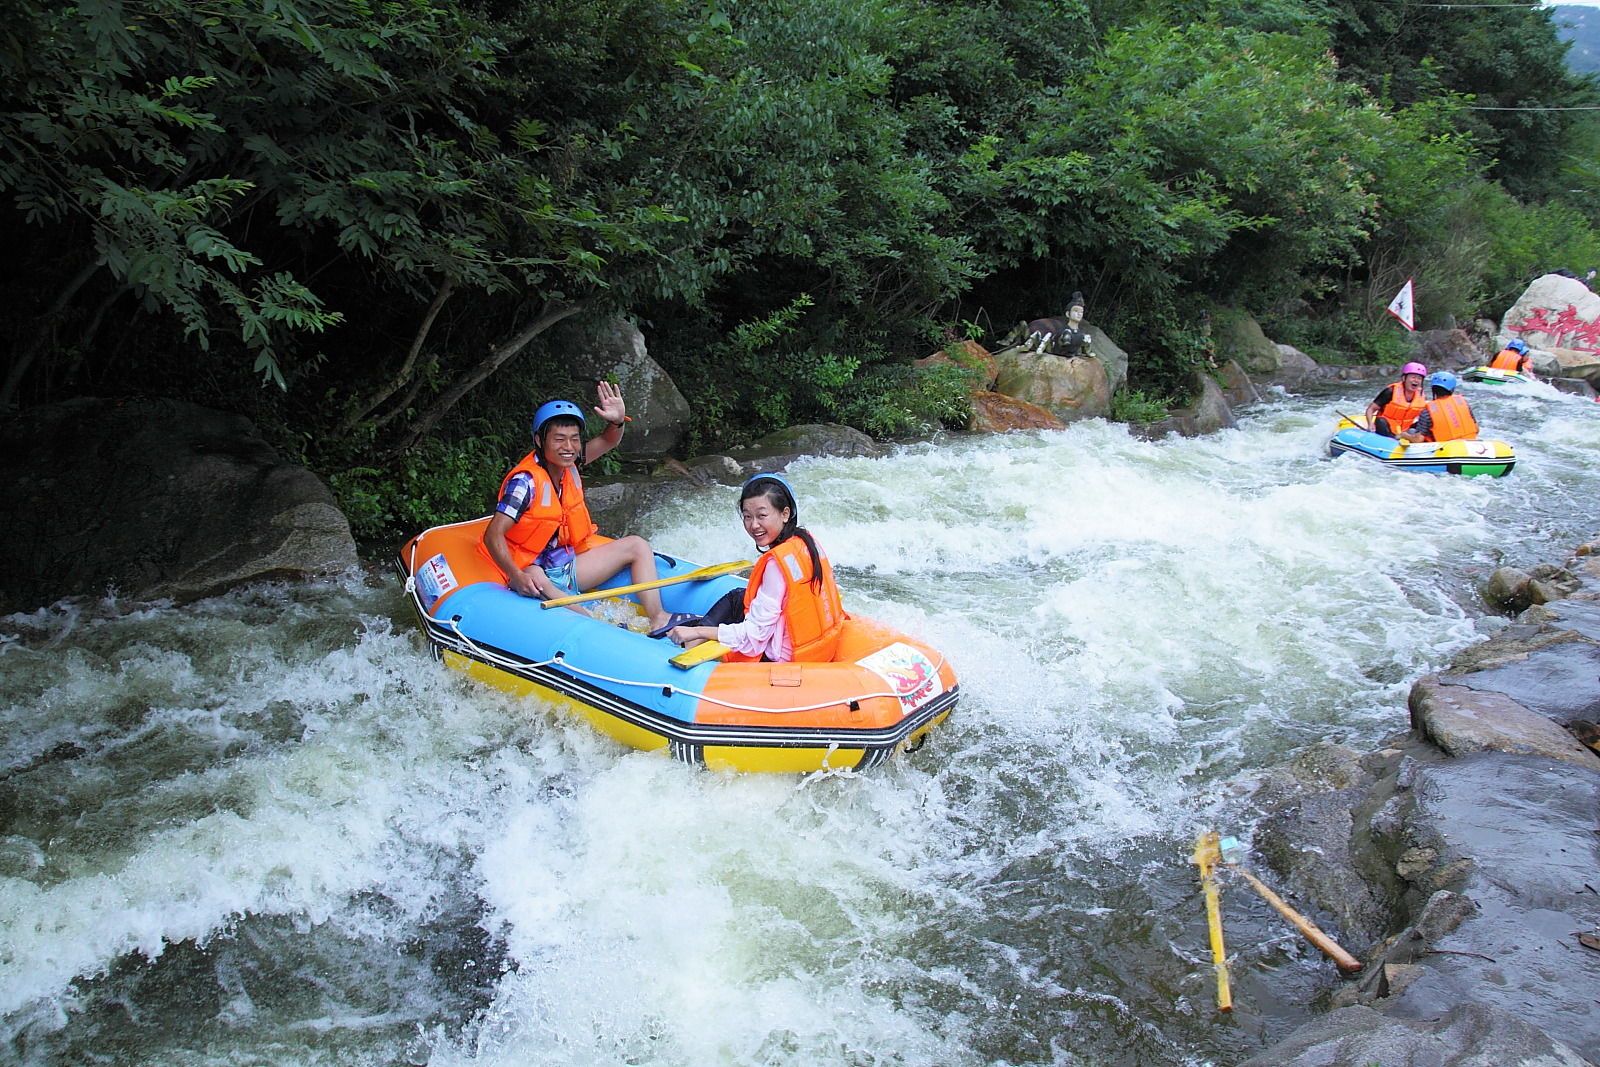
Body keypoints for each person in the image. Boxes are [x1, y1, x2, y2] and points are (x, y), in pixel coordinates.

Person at [480, 383, 672, 631]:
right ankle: (597, 628)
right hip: (532, 569)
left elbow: (607, 440)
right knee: (536, 577)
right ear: (540, 440)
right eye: (559, 439)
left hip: (566, 566)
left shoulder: (569, 464)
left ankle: (657, 617)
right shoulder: (524, 483)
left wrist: (616, 422)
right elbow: (493, 533)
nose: (568, 447)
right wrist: (517, 576)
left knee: (637, 545)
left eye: (574, 439)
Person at [666, 474, 846, 663]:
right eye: (747, 517)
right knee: (738, 597)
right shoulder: (806, 542)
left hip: (782, 660)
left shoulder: (777, 565)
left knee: (733, 607)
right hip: (819, 648)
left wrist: (697, 631)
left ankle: (689, 640)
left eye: (762, 516)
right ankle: (692, 642)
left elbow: (755, 637)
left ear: (785, 514)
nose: (754, 525)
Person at [1402, 371, 1478, 443]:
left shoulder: (1427, 412)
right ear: (1452, 390)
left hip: (1445, 449)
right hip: (1469, 444)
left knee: (1411, 431)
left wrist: (1402, 435)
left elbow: (1418, 440)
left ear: (1433, 390)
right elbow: (1476, 429)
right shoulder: (1463, 403)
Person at [1364, 362, 1429, 438]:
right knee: (1381, 421)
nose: (1416, 380)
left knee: (1423, 423)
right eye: (1413, 377)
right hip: (1387, 429)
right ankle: (1392, 439)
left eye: (1419, 378)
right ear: (1404, 378)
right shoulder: (1390, 392)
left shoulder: (1421, 395)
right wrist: (1370, 424)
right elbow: (1370, 409)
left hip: (1404, 431)